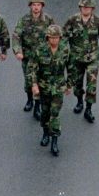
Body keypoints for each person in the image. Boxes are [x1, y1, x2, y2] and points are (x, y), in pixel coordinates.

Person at [63, 0, 99, 121]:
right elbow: (64, 36)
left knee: (92, 85)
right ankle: (79, 101)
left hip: (92, 58)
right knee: (77, 83)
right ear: (80, 7)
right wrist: (63, 52)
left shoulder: (98, 22)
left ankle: (88, 109)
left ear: (92, 8)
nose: (85, 9)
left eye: (88, 7)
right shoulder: (72, 20)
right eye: (83, 7)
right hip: (76, 58)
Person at [29, 23, 73, 156]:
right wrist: (34, 84)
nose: (54, 40)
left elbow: (71, 68)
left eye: (56, 37)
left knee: (55, 113)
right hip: (44, 86)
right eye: (51, 38)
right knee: (45, 112)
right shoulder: (40, 50)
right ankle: (45, 133)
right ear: (47, 38)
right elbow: (32, 68)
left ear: (60, 38)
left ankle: (54, 140)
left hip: (58, 86)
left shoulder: (65, 50)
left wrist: (70, 85)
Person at [13, 0, 53, 116]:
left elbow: (55, 36)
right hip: (28, 56)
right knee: (28, 80)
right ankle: (29, 99)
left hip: (43, 57)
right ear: (30, 6)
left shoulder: (48, 20)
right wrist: (18, 51)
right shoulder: (24, 20)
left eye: (38, 5)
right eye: (34, 4)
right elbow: (16, 36)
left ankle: (37, 106)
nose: (36, 7)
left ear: (42, 6)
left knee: (40, 80)